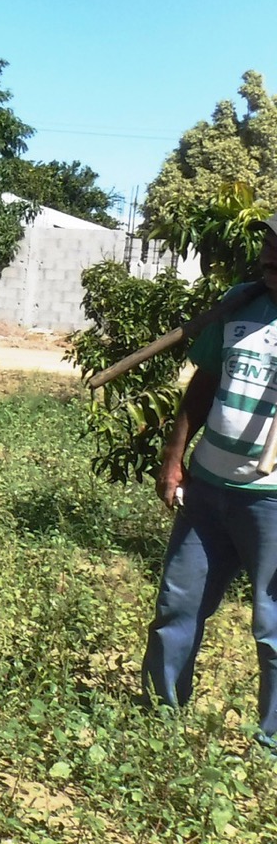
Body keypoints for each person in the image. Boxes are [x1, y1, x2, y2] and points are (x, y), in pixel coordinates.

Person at [144, 215, 277, 756]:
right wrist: (174, 458)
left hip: (271, 500)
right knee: (178, 605)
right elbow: (203, 386)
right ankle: (159, 717)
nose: (270, 259)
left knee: (272, 626)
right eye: (268, 248)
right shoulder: (239, 305)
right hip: (207, 487)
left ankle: (272, 745)